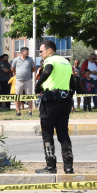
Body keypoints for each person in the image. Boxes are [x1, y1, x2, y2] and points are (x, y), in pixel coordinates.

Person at [35, 40, 76, 174]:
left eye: (41, 51)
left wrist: (38, 86)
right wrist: (70, 95)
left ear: (49, 50)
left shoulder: (50, 60)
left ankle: (51, 167)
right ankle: (68, 167)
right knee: (63, 133)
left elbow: (47, 71)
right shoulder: (66, 62)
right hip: (65, 101)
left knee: (47, 133)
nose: (40, 54)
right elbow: (72, 81)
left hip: (51, 101)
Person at [11, 47, 36, 117]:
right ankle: (18, 111)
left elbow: (34, 69)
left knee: (29, 96)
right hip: (18, 80)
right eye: (26, 52)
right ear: (22, 52)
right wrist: (16, 74)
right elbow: (13, 68)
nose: (28, 53)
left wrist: (28, 73)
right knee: (17, 96)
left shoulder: (30, 60)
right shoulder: (16, 60)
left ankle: (30, 111)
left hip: (28, 80)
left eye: (28, 52)